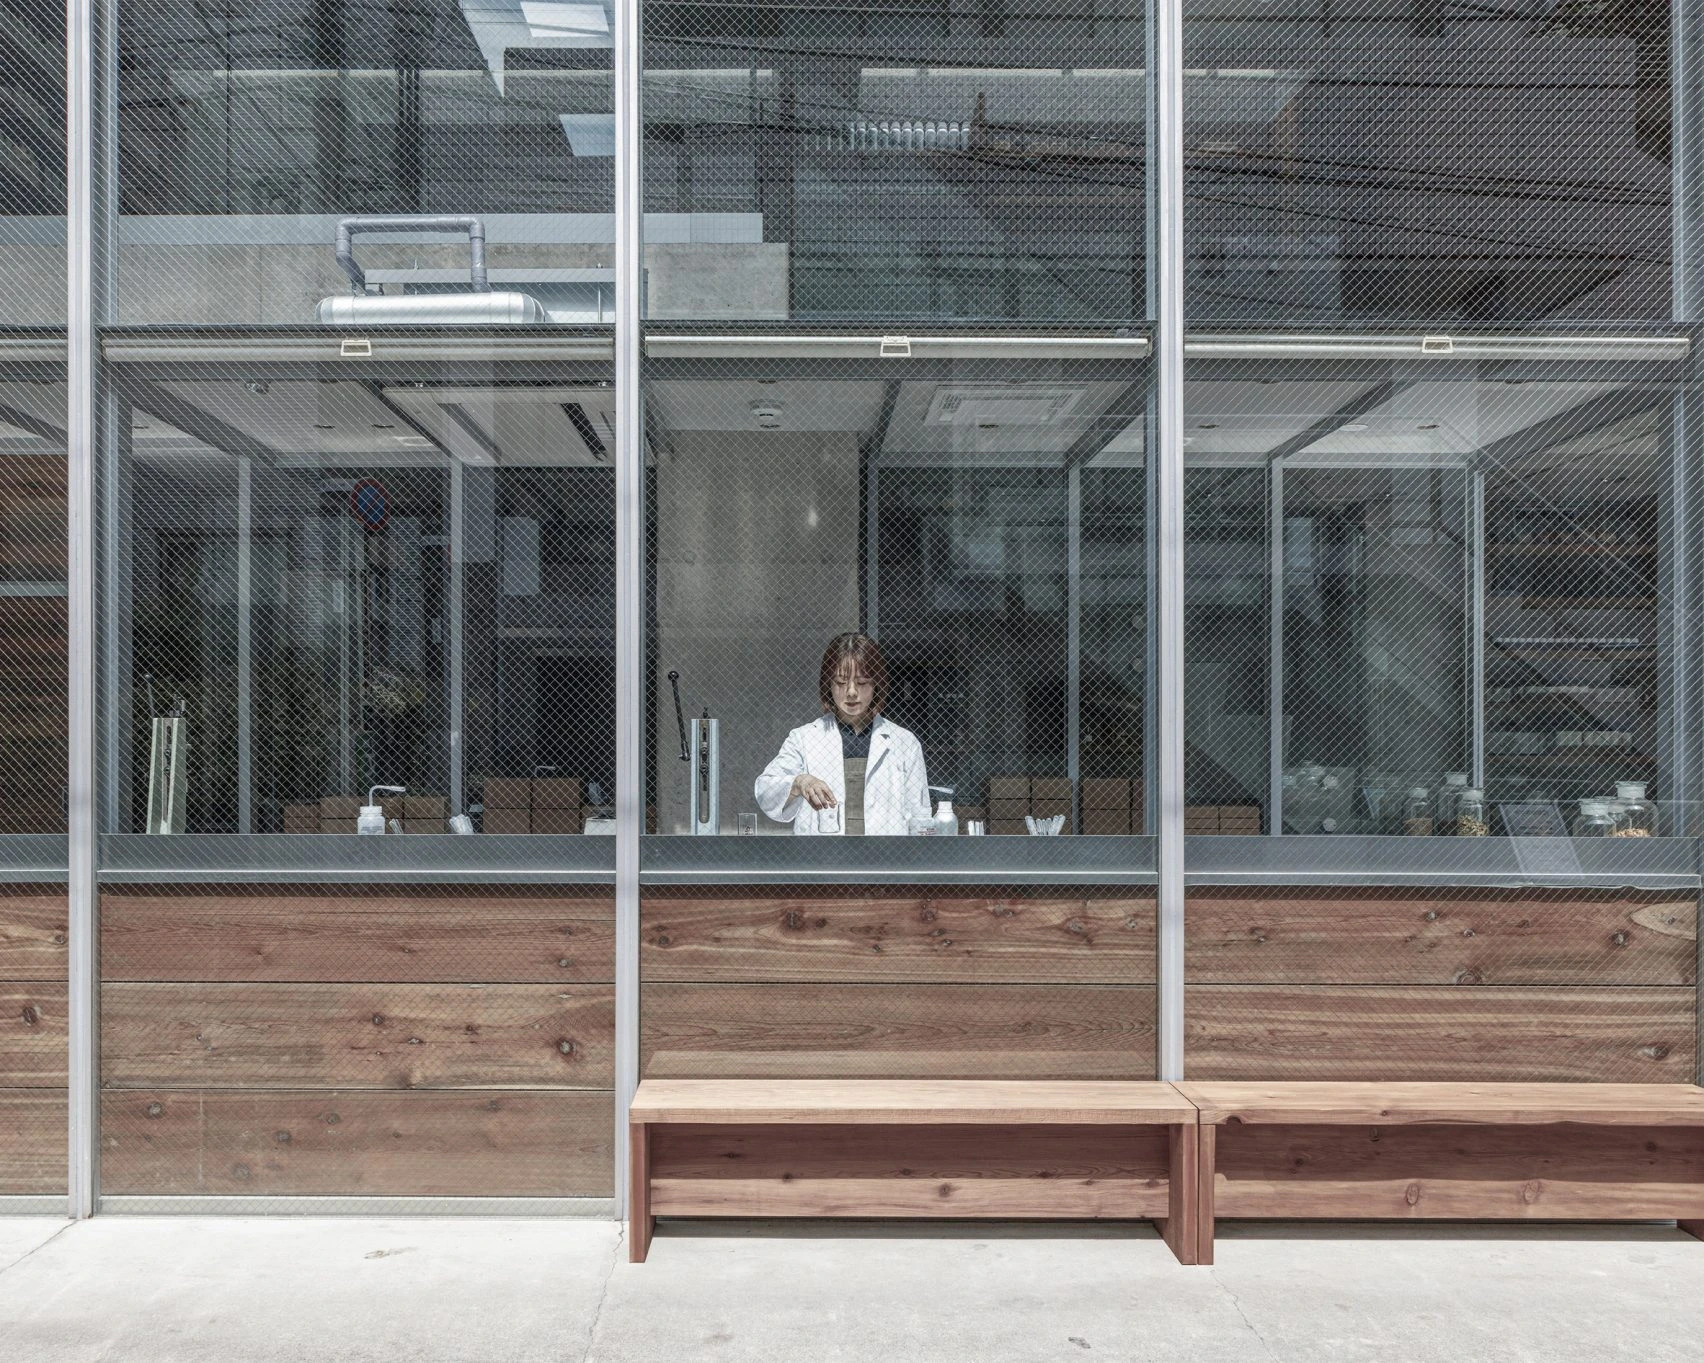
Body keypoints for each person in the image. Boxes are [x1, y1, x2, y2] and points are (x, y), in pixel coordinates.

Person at [754, 633, 930, 835]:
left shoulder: (904, 743)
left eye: (862, 682)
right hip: (822, 862)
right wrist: (800, 782)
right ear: (827, 685)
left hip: (884, 861)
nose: (852, 692)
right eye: (840, 682)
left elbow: (920, 819)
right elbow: (766, 791)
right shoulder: (804, 739)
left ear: (876, 685)